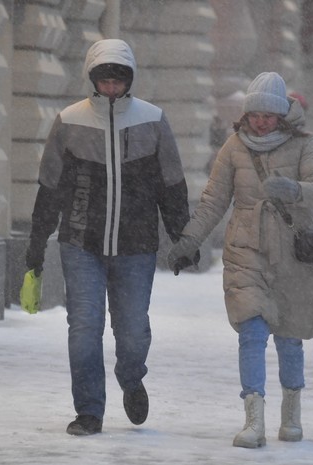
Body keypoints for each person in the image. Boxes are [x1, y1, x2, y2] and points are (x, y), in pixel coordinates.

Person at [24, 39, 190, 436]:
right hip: (80, 243)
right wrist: (35, 246)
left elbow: (172, 185)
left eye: (119, 80)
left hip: (136, 245)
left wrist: (183, 240)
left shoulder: (152, 120)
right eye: (105, 79)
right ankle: (89, 411)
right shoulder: (69, 121)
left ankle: (131, 379)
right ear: (93, 79)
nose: (111, 87)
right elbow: (49, 188)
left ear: (129, 80)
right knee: (84, 327)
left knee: (132, 332)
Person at [168, 72, 313, 448]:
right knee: (252, 331)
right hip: (246, 250)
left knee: (289, 337)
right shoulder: (233, 148)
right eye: (254, 114)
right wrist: (188, 240)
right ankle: (253, 420)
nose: (260, 121)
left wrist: (295, 190)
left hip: (293, 254)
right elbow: (213, 201)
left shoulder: (306, 146)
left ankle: (291, 412)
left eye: (269, 115)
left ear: (282, 115)